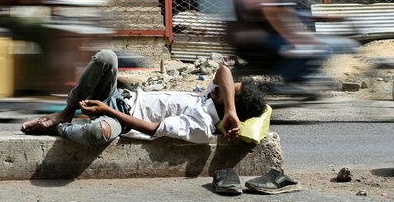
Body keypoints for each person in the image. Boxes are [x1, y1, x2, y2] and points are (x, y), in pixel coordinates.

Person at [21, 49, 266, 146]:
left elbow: (152, 129)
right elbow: (224, 70)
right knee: (106, 57)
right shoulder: (208, 96)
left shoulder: (201, 126)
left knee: (98, 134)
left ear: (226, 101)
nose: (224, 86)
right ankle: (65, 113)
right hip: (118, 96)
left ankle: (60, 129)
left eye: (230, 91)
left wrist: (107, 112)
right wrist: (232, 111)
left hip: (122, 119)